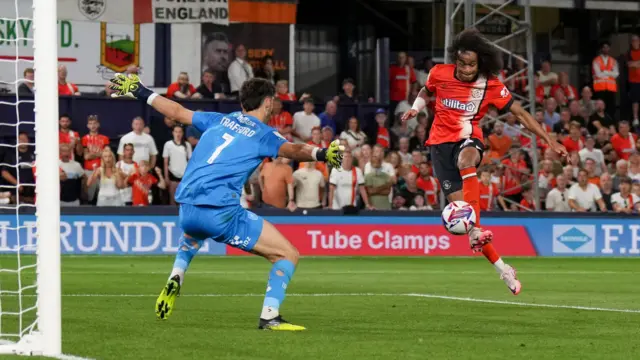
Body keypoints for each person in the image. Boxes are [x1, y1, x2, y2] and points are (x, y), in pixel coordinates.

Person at [109, 74, 344, 330]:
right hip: (220, 214)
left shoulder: (219, 119)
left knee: (194, 233)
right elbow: (293, 150)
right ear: (267, 103)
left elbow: (176, 110)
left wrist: (142, 91)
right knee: (287, 254)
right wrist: (321, 153)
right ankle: (270, 316)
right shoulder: (264, 135)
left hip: (187, 210)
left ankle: (177, 273)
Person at [401, 29, 567, 295]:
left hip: (469, 139)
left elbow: (521, 114)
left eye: (472, 64)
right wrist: (416, 108)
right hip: (439, 147)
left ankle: (477, 230)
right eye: (462, 63)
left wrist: (549, 140)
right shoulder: (439, 73)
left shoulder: (490, 85)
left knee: (468, 160)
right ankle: (504, 270)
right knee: (467, 223)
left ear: (481, 63)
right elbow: (426, 89)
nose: (467, 69)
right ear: (455, 60)